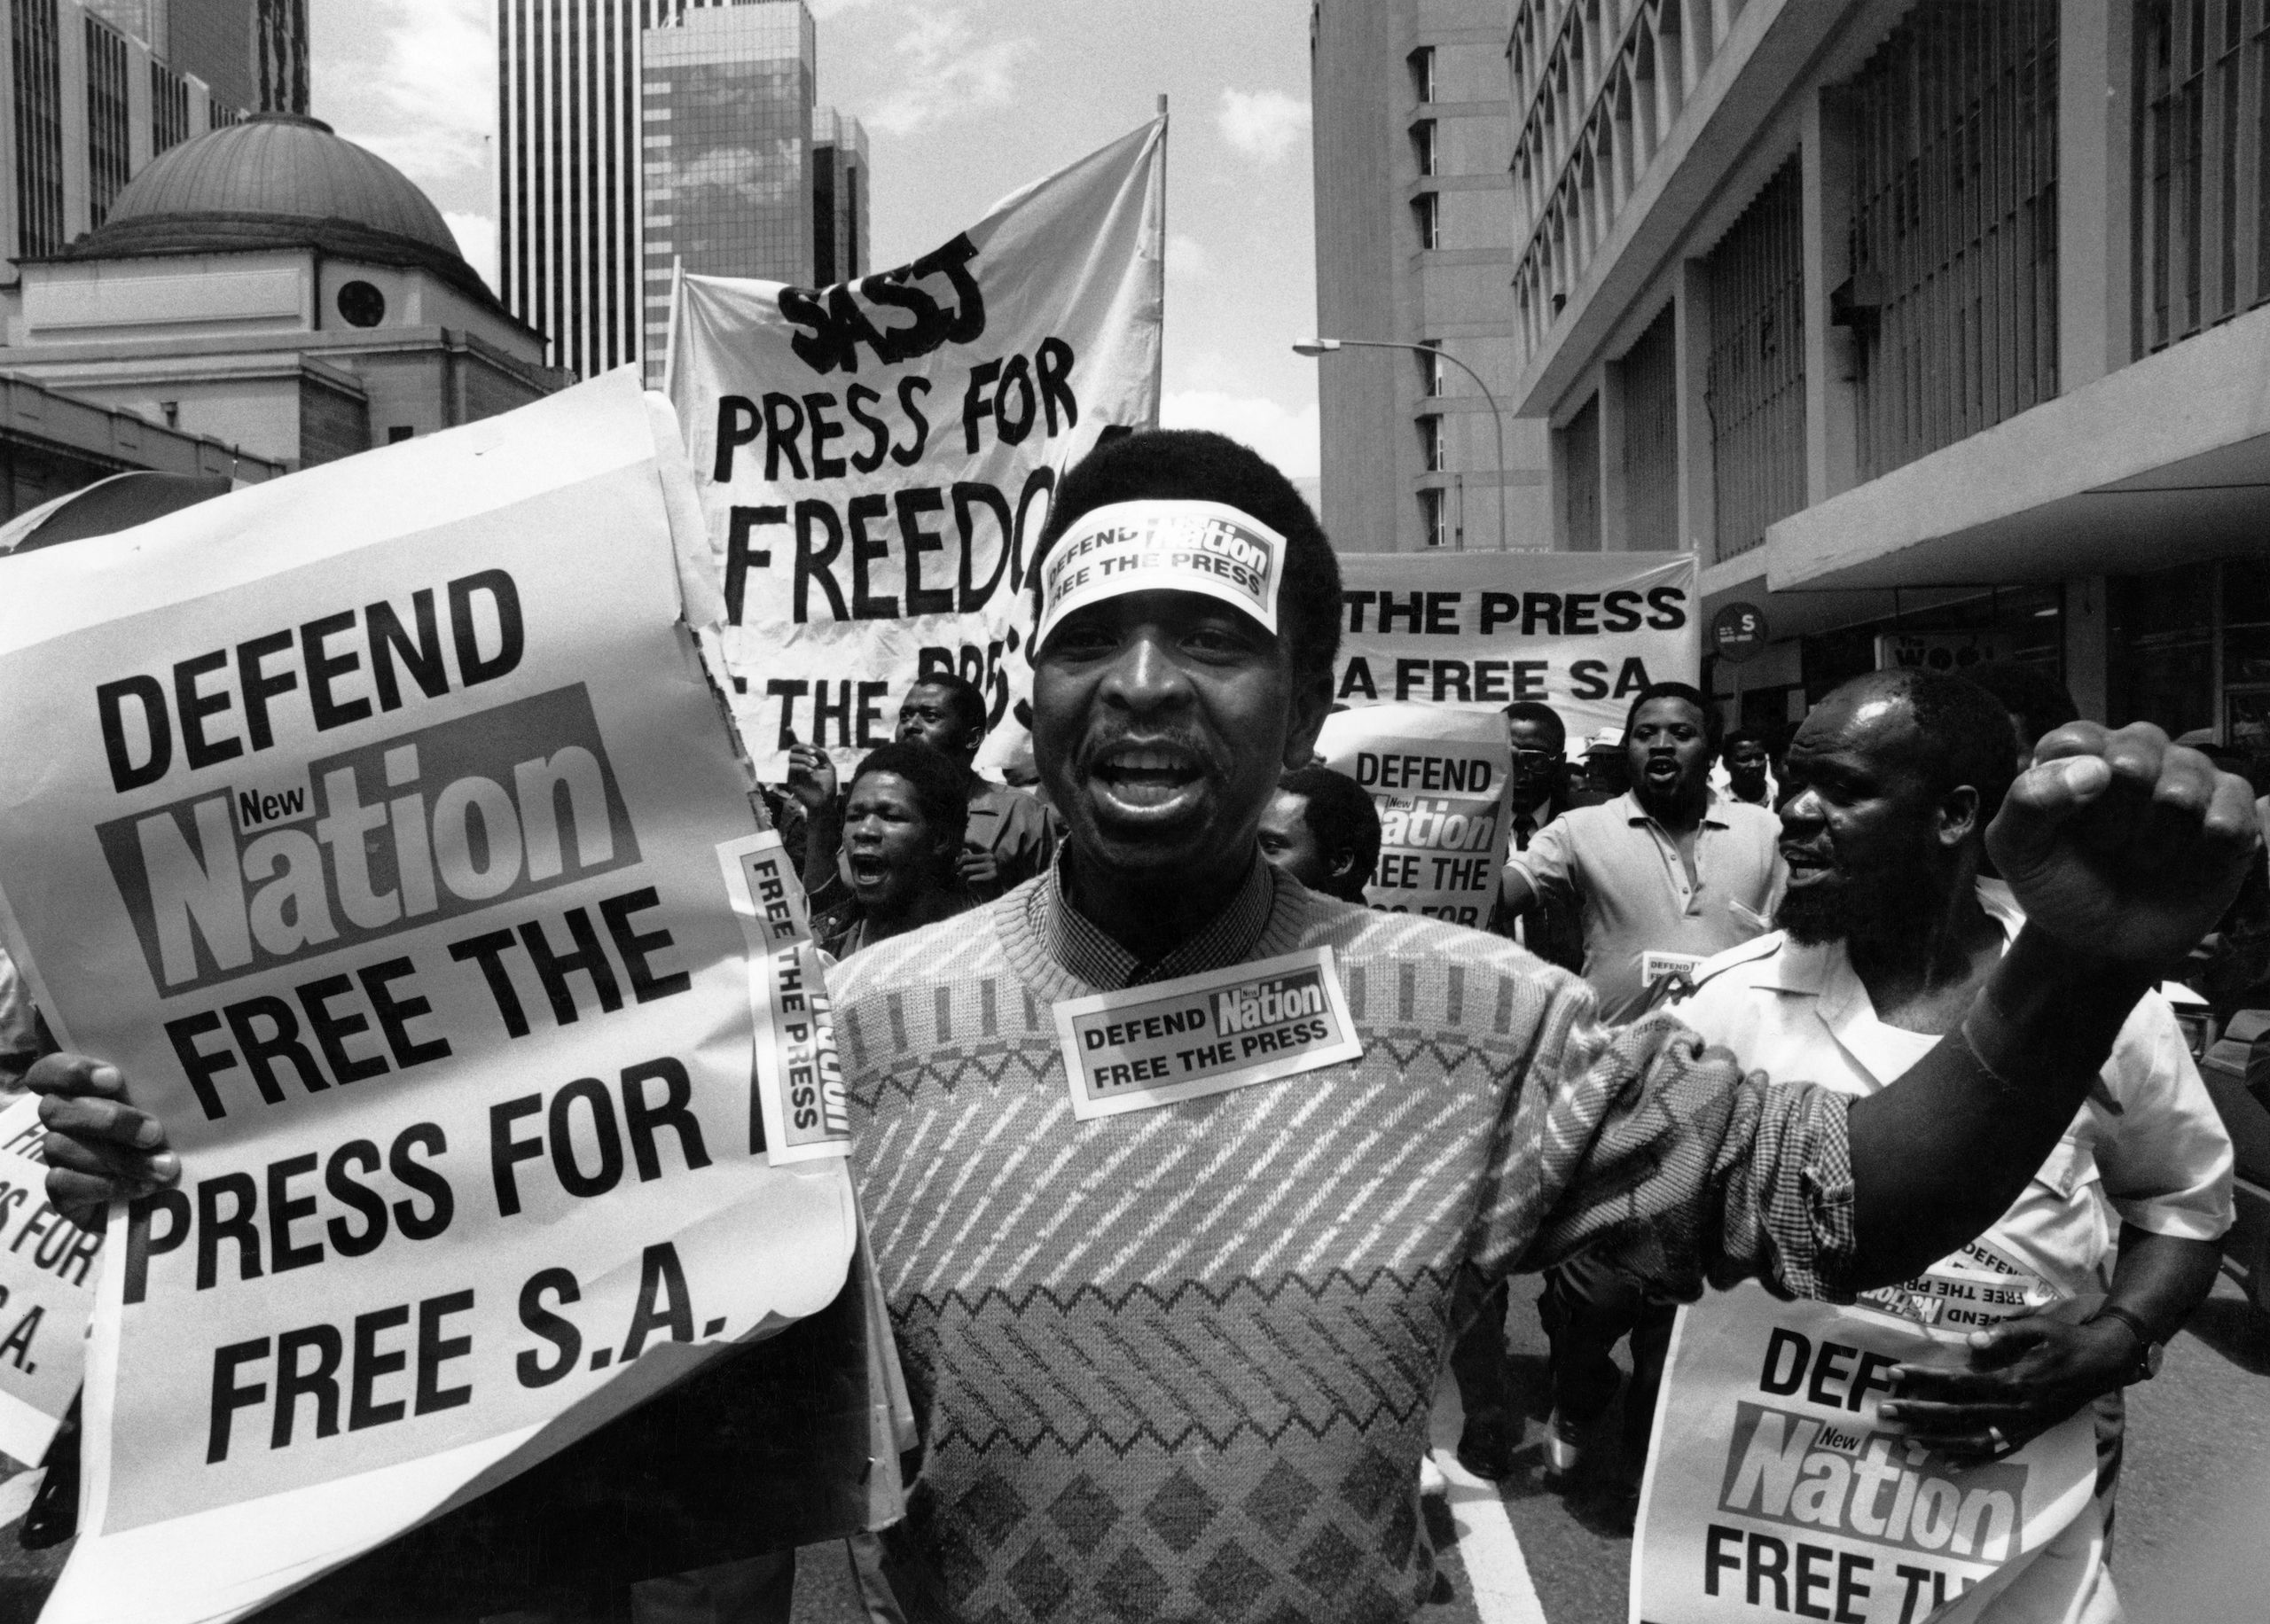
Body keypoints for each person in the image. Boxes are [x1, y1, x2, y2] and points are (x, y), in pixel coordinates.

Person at [33, 430, 2258, 1624]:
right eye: (1096, 634)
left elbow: (1847, 1197)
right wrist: (187, 1172)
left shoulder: (1477, 1016)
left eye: (1210, 636)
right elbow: (499, 1261)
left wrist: (2063, 968)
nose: (1145, 683)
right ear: (1030, 683)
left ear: (1298, 700)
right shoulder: (844, 1021)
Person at [1673, 668, 2232, 1620]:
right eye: (1788, 788)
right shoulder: (1725, 1002)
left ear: (1953, 815)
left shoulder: (2099, 1003)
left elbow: (2182, 1204)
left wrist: (2109, 1343)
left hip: (2021, 1525)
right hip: (1775, 1533)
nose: (1795, 815)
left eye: (1842, 788)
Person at [1500, 683, 1784, 1019]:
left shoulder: (1768, 832)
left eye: (1681, 733)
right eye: (1645, 734)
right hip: (1611, 1057)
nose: (1661, 745)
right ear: (1628, 750)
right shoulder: (1577, 830)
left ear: (1711, 754)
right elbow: (1487, 898)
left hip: (1734, 1055)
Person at [805, 744, 981, 958]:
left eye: (891, 816)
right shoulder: (822, 956)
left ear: (940, 839)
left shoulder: (979, 952)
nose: (864, 830)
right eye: (854, 816)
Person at [1257, 766, 1382, 903]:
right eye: (1248, 842)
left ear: (1339, 863)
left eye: (1270, 846)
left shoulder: (1394, 925)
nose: (1247, 856)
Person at [1718, 726, 1777, 807]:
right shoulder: (1716, 803)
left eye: (1759, 757)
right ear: (1726, 764)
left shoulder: (1779, 799)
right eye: (1745, 759)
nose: (1754, 765)